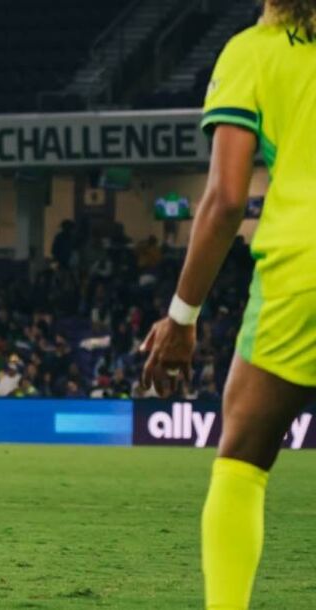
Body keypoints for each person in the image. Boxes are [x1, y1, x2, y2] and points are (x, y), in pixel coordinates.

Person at [140, 5, 316, 606]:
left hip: (304, 268)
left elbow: (225, 200)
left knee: (241, 460)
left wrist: (182, 318)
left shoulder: (252, 50)